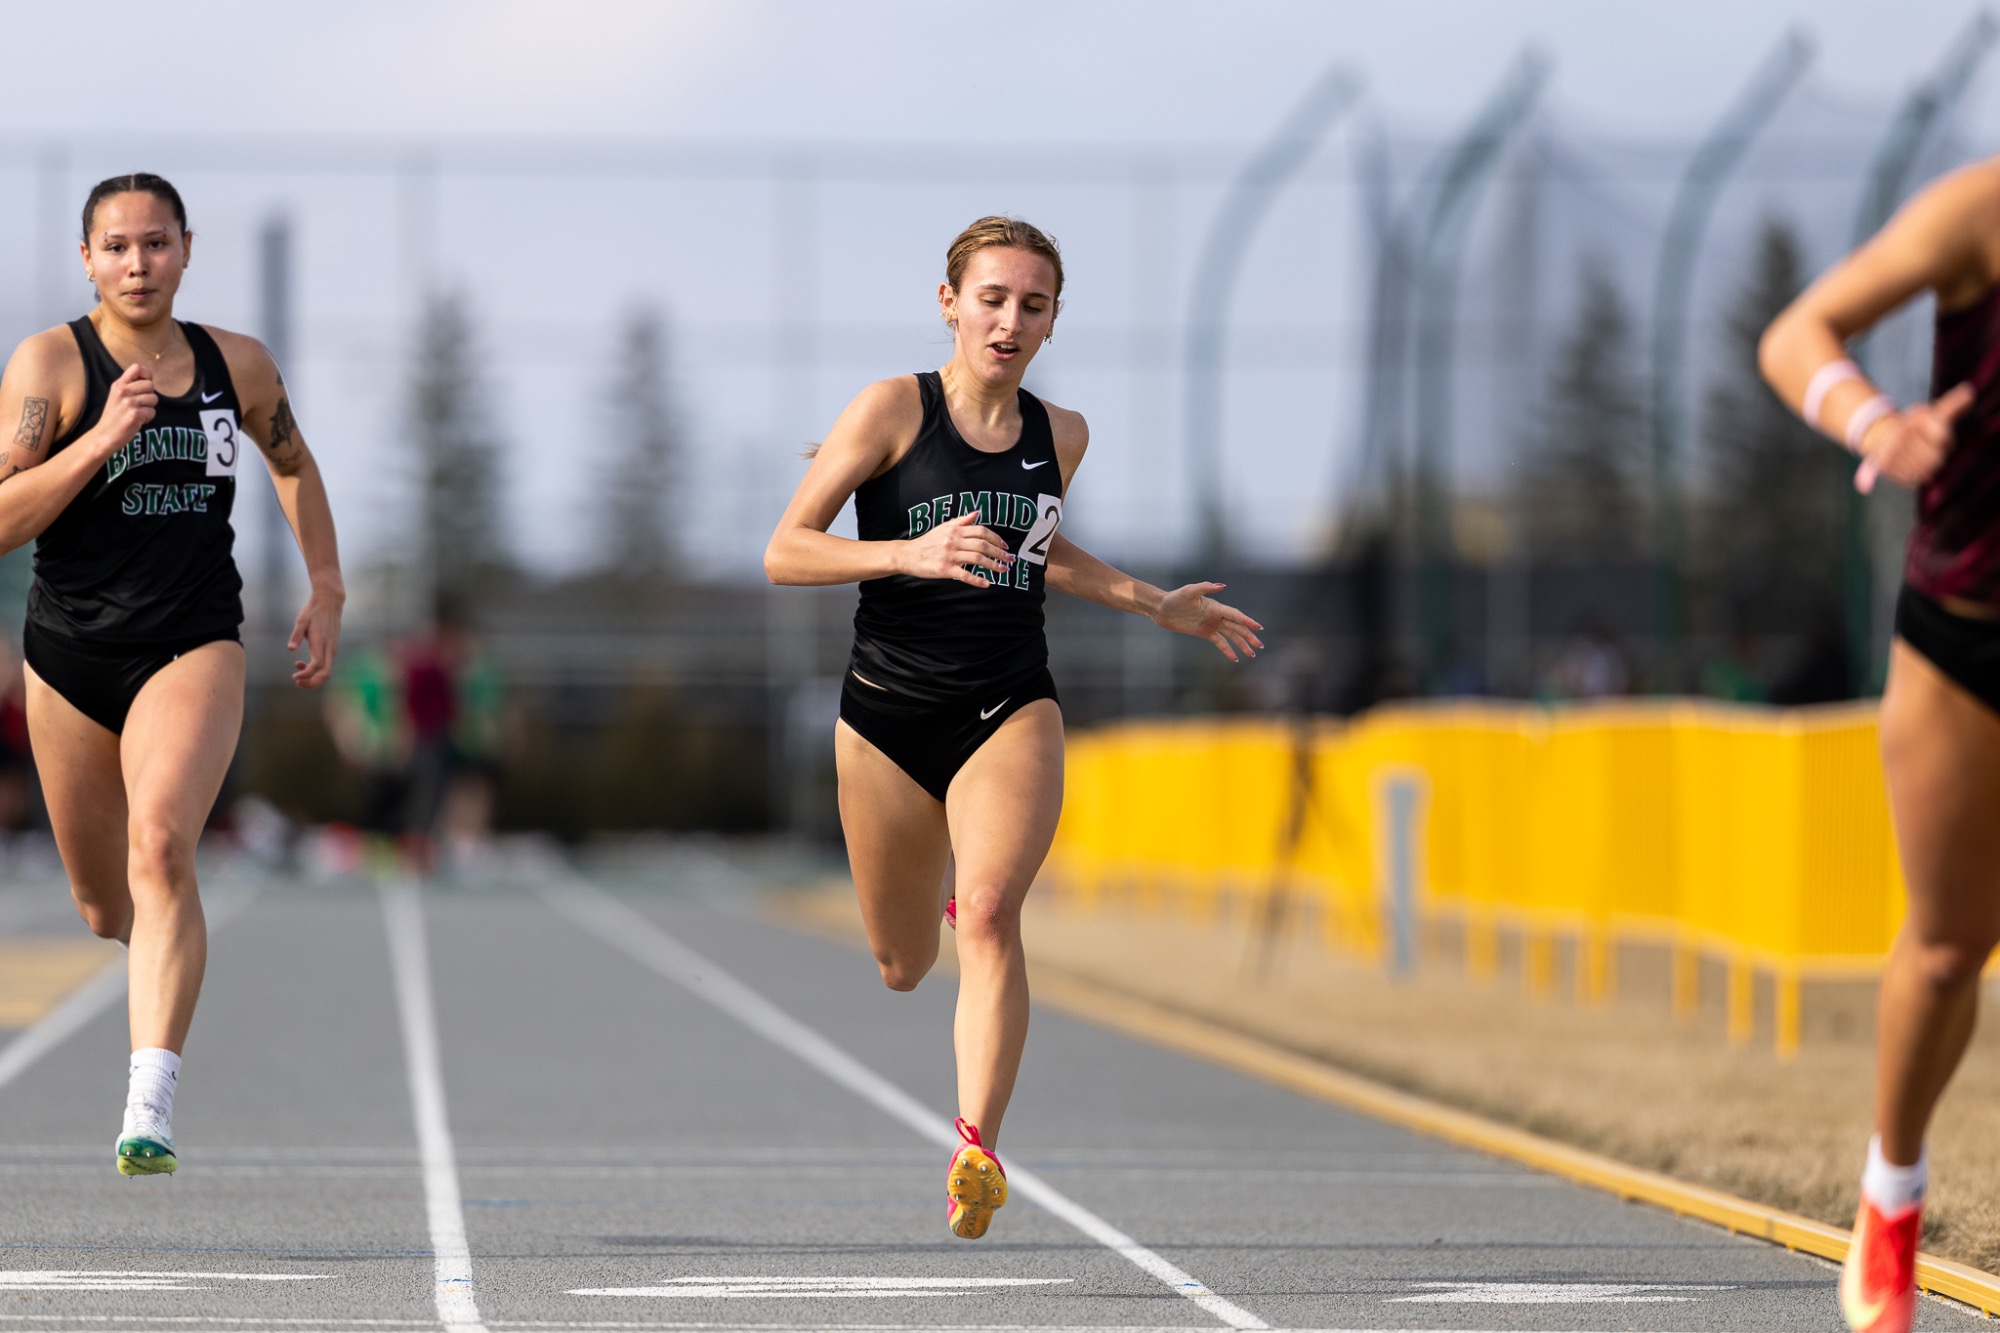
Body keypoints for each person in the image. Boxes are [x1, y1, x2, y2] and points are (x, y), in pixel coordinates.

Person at [765, 216, 1262, 1239]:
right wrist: (907, 552)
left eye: (1030, 304)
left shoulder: (1060, 434)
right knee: (901, 963)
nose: (1008, 319)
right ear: (948, 302)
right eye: (990, 298)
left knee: (989, 912)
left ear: (1049, 321)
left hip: (1007, 704)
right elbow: (785, 549)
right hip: (885, 717)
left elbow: (1040, 551)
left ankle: (975, 1151)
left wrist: (1149, 599)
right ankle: (935, 945)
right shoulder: (891, 409)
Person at [0, 173, 344, 1176]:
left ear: (186, 250)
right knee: (108, 906)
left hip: (192, 642)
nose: (137, 263)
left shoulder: (235, 364)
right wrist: (103, 437)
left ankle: (149, 1099)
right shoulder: (51, 365)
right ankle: (149, 960)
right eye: (117, 246)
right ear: (88, 260)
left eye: (156, 244)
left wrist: (324, 585)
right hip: (68, 658)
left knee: (161, 849)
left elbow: (290, 463)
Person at [1760, 161, 2000, 1333]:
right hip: (1965, 630)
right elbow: (1795, 331)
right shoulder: (1978, 210)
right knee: (1951, 944)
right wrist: (1873, 421)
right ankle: (1889, 1194)